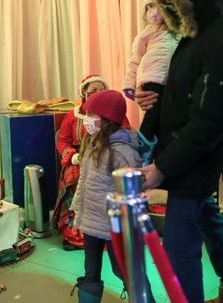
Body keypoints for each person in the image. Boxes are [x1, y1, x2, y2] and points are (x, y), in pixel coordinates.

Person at [135, 0, 223, 303]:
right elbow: (184, 90)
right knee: (208, 220)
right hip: (186, 155)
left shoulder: (222, 43)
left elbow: (207, 124)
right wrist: (151, 98)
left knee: (179, 246)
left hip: (195, 159)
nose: (166, 5)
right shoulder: (195, 35)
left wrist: (161, 168)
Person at [70, 90, 155, 303]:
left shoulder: (122, 151)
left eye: (92, 114)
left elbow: (132, 190)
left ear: (106, 119)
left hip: (114, 227)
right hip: (91, 221)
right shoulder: (93, 143)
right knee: (91, 271)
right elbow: (85, 180)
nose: (87, 120)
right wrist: (76, 208)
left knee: (125, 271)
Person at [53, 74, 107, 250]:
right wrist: (72, 156)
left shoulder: (112, 111)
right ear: (84, 93)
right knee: (73, 179)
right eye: (93, 91)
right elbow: (62, 140)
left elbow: (125, 134)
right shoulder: (73, 115)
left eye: (102, 90)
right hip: (78, 159)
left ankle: (104, 231)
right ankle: (73, 233)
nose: (98, 93)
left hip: (106, 158)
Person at [123, 0, 179, 140]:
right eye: (149, 7)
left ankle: (153, 147)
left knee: (165, 117)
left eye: (156, 5)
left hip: (171, 80)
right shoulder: (146, 33)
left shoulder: (180, 32)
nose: (153, 11)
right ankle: (143, 143)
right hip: (151, 78)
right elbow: (134, 60)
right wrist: (130, 85)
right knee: (153, 113)